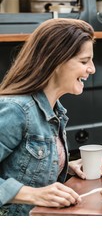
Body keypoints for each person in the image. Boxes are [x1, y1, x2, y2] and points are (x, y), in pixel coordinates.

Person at [0, 18, 96, 216]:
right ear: (57, 61)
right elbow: (33, 192)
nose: (92, 69)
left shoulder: (55, 110)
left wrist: (64, 166)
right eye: (84, 61)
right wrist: (33, 195)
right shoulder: (17, 110)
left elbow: (22, 166)